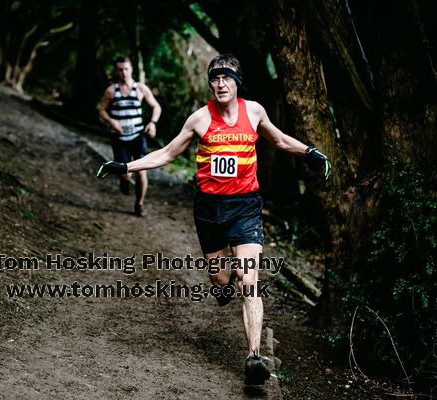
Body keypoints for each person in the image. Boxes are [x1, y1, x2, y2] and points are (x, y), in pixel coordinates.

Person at [97, 54, 331, 385]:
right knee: (222, 281)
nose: (220, 83)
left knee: (248, 280)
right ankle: (222, 287)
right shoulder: (199, 119)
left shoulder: (255, 112)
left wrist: (309, 151)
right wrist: (125, 167)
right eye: (215, 78)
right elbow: (167, 153)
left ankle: (254, 357)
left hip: (245, 206)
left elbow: (278, 140)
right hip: (208, 209)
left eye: (226, 78)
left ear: (238, 82)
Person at [98, 56, 162, 217]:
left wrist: (152, 123)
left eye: (126, 69)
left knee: (141, 171)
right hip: (119, 138)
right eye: (120, 69)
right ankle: (124, 179)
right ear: (116, 71)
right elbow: (102, 110)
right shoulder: (111, 90)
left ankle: (139, 204)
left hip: (138, 136)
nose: (123, 72)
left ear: (131, 69)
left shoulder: (140, 89)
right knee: (126, 173)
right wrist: (112, 122)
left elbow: (156, 106)